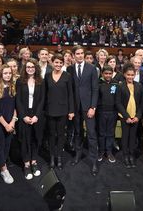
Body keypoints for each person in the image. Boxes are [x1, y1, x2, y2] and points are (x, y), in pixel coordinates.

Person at [66, 45, 99, 176]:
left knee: (91, 134)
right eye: (77, 53)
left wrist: (93, 107)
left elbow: (95, 89)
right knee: (78, 132)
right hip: (75, 107)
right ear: (73, 55)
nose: (80, 55)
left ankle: (94, 161)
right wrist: (70, 108)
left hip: (88, 107)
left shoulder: (92, 68)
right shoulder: (69, 69)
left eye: (81, 53)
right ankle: (78, 155)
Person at [16, 58, 45, 180]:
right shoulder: (20, 81)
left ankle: (34, 161)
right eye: (28, 67)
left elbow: (42, 99)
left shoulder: (41, 81)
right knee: (25, 139)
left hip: (36, 114)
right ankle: (26, 163)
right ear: (25, 68)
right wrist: (23, 116)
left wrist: (37, 115)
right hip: (25, 113)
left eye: (32, 67)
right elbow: (18, 100)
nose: (30, 69)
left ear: (36, 68)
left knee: (35, 138)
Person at [44, 54, 74, 170]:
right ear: (52, 63)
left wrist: (71, 110)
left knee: (61, 135)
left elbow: (70, 94)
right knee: (51, 135)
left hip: (63, 110)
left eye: (60, 63)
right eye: (56, 62)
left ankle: (59, 157)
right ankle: (52, 157)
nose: (58, 64)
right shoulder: (47, 76)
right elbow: (44, 94)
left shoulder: (67, 76)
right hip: (50, 110)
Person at [0, 64, 17, 184]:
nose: (8, 75)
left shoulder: (12, 87)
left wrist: (12, 121)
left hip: (11, 123)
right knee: (0, 147)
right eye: (5, 73)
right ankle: (3, 170)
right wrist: (5, 124)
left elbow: (15, 107)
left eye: (9, 73)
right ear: (0, 74)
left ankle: (2, 163)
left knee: (7, 146)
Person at [116, 63, 143, 169]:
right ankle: (125, 155)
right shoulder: (120, 86)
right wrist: (126, 116)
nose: (130, 77)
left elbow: (141, 104)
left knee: (133, 136)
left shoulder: (139, 86)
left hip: (135, 116)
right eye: (128, 75)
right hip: (125, 116)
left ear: (135, 74)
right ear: (124, 74)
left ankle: (132, 155)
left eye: (132, 75)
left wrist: (137, 116)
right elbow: (118, 103)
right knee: (125, 136)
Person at [97, 65, 119, 163]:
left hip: (113, 112)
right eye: (106, 73)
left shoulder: (116, 84)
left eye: (110, 73)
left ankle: (109, 152)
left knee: (110, 133)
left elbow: (118, 100)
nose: (108, 75)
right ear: (102, 74)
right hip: (101, 112)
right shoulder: (98, 84)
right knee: (101, 133)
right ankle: (101, 151)